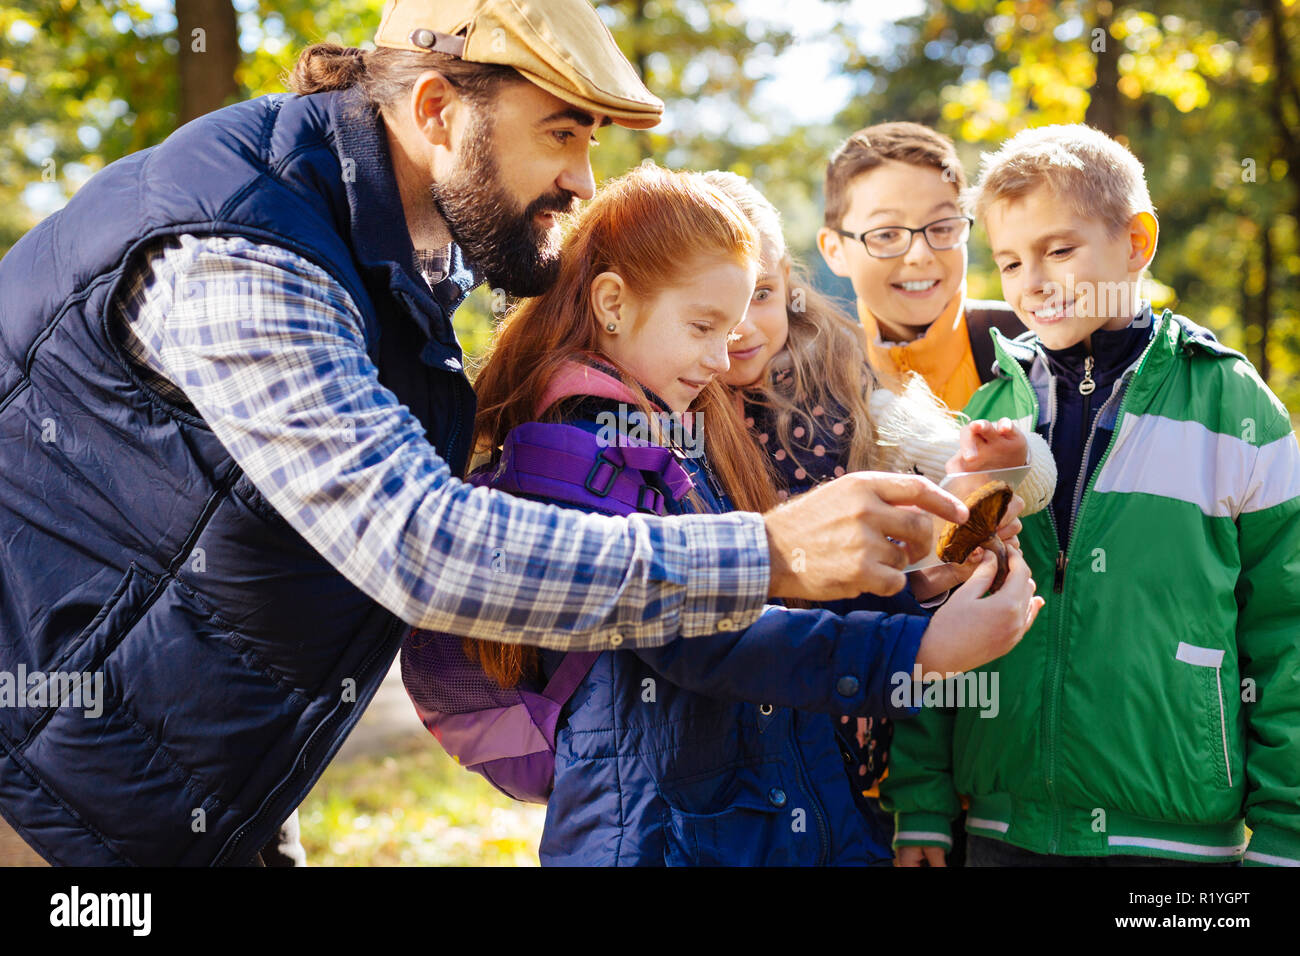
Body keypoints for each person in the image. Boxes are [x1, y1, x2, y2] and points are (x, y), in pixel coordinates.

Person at [0, 0, 971, 866]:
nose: (581, 181)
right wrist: (769, 552)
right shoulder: (244, 250)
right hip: (39, 808)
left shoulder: (392, 262)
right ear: (434, 111)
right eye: (560, 134)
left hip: (189, 801)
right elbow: (418, 542)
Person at [405, 164, 1045, 865]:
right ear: (613, 303)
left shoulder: (673, 428)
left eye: (735, 325)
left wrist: (920, 582)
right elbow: (701, 636)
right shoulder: (575, 452)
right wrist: (923, 651)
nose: (721, 357)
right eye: (704, 326)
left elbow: (761, 596)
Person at [883, 124, 1300, 867]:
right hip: (1002, 830)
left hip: (1175, 837)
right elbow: (942, 605)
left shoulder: (1232, 406)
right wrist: (922, 799)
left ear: (1136, 244)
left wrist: (1287, 833)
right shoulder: (987, 418)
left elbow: (1286, 629)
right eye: (1010, 261)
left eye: (1059, 250)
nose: (1032, 282)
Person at [703, 169, 1056, 861]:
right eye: (718, 307)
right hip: (734, 747)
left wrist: (1005, 460)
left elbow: (1017, 486)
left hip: (858, 751)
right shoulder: (672, 411)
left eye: (763, 296)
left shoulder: (847, 399)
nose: (743, 328)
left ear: (791, 291)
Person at [816, 122, 1026, 410]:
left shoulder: (1030, 348)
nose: (920, 254)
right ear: (835, 250)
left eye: (941, 227)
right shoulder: (817, 385)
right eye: (887, 234)